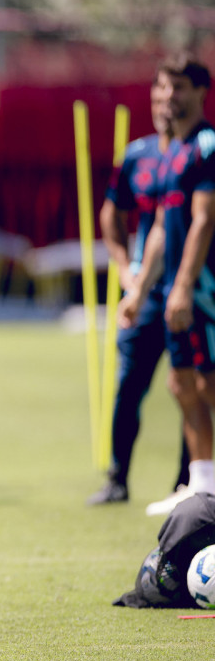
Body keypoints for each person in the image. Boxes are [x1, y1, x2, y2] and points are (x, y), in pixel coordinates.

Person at [120, 53, 215, 516]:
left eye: (179, 87)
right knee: (182, 385)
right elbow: (160, 227)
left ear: (201, 92)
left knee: (207, 384)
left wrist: (182, 286)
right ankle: (202, 488)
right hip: (177, 289)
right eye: (163, 87)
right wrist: (139, 290)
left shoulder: (207, 146)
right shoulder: (168, 151)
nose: (169, 96)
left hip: (204, 292)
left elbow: (203, 221)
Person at [90, 77, 190, 505]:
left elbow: (175, 230)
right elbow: (111, 213)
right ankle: (117, 478)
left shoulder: (199, 153)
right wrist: (123, 270)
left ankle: (188, 483)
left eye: (172, 97)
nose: (163, 106)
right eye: (157, 97)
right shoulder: (138, 155)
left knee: (191, 388)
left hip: (192, 290)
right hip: (145, 293)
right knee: (129, 383)